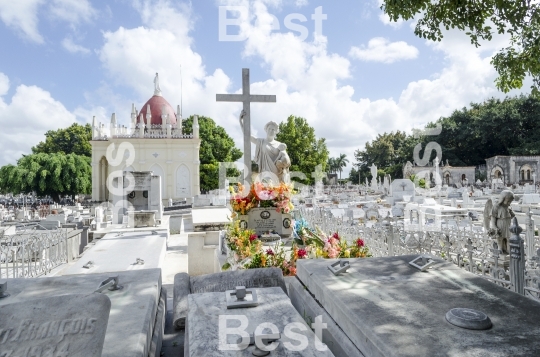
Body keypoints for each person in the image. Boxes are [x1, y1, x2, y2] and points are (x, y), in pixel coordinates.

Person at [239, 110, 291, 183]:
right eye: (269, 129)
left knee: (275, 192)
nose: (271, 131)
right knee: (265, 190)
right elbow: (248, 136)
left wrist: (282, 161)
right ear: (266, 130)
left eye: (273, 129)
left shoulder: (279, 145)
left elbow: (287, 161)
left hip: (277, 173)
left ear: (276, 132)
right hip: (265, 173)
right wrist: (240, 121)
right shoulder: (261, 142)